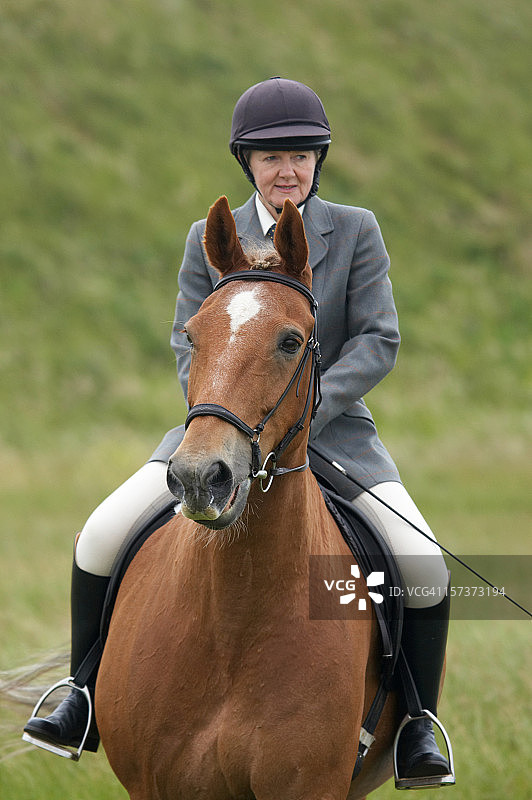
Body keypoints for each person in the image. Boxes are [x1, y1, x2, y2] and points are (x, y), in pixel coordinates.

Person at [25, 77, 452, 788]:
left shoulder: (356, 230)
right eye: (270, 156)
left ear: (320, 160)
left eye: (302, 156)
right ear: (246, 162)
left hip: (332, 436)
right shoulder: (209, 238)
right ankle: (79, 695)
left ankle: (415, 726)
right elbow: (187, 339)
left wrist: (306, 412)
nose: (288, 170)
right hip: (221, 429)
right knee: (101, 534)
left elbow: (379, 339)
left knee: (422, 564)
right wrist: (226, 417)